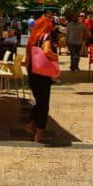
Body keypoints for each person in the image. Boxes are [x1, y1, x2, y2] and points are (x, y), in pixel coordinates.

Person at [25, 15, 57, 144]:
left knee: (39, 101)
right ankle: (40, 134)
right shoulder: (46, 37)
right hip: (42, 75)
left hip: (33, 72)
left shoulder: (33, 38)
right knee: (43, 104)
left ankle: (32, 125)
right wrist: (56, 58)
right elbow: (47, 52)